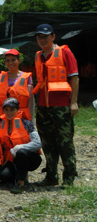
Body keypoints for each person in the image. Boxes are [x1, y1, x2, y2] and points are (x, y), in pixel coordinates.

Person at [32, 23, 79, 186]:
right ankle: (51, 176)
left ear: (53, 36)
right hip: (43, 105)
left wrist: (73, 102)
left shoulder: (65, 52)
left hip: (61, 105)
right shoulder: (38, 55)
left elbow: (74, 78)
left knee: (64, 141)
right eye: (39, 37)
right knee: (47, 141)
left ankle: (69, 177)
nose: (42, 40)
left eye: (45, 36)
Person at [0, 98, 42, 193]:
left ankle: (21, 182)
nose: (9, 113)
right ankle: (18, 174)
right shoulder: (0, 124)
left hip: (29, 158)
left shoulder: (26, 123)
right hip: (11, 159)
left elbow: (38, 143)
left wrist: (20, 147)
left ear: (18, 110)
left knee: (21, 152)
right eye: (6, 110)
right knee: (3, 176)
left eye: (12, 110)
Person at [0, 49, 34, 122]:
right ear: (5, 62)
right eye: (8, 61)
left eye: (13, 60)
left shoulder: (27, 77)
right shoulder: (0, 77)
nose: (10, 63)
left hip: (21, 118)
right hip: (3, 117)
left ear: (18, 60)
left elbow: (30, 101)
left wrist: (30, 119)